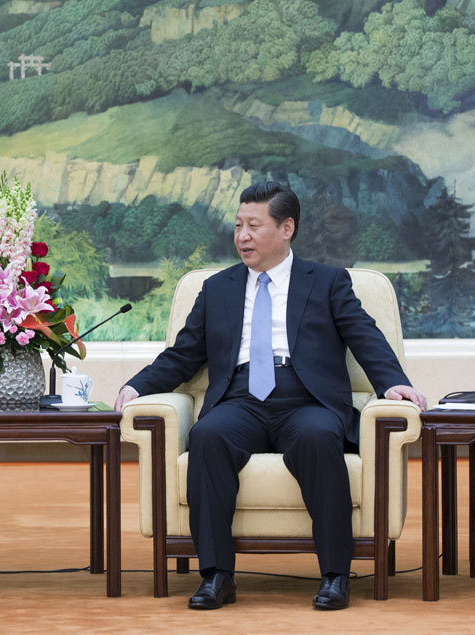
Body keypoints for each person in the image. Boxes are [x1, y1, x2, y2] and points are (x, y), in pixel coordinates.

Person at [114, 182, 426, 611]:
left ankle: (335, 575)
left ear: (286, 228)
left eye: (254, 226)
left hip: (307, 399)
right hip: (240, 399)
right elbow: (184, 354)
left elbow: (363, 334)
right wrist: (137, 385)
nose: (242, 235)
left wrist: (391, 382)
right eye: (239, 225)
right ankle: (217, 575)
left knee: (318, 438)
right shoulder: (218, 288)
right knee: (208, 437)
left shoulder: (328, 282)